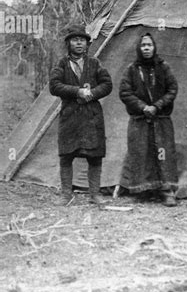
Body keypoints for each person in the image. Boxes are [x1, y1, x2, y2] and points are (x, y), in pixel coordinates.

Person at [49, 23, 113, 206]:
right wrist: (77, 91)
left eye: (82, 40)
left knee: (94, 155)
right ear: (68, 44)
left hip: (91, 115)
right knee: (67, 154)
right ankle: (66, 194)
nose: (79, 44)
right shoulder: (61, 64)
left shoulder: (95, 64)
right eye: (75, 40)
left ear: (87, 44)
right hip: (70, 115)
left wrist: (92, 93)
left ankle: (95, 194)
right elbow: (54, 86)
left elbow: (107, 84)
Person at [118, 32, 178, 206]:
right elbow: (125, 92)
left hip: (161, 118)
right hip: (140, 119)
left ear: (154, 47)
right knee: (141, 153)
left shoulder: (164, 67)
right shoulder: (131, 69)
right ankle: (144, 189)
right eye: (143, 45)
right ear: (139, 48)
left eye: (149, 45)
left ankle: (166, 191)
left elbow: (172, 89)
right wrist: (143, 107)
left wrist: (157, 105)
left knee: (163, 153)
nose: (146, 49)